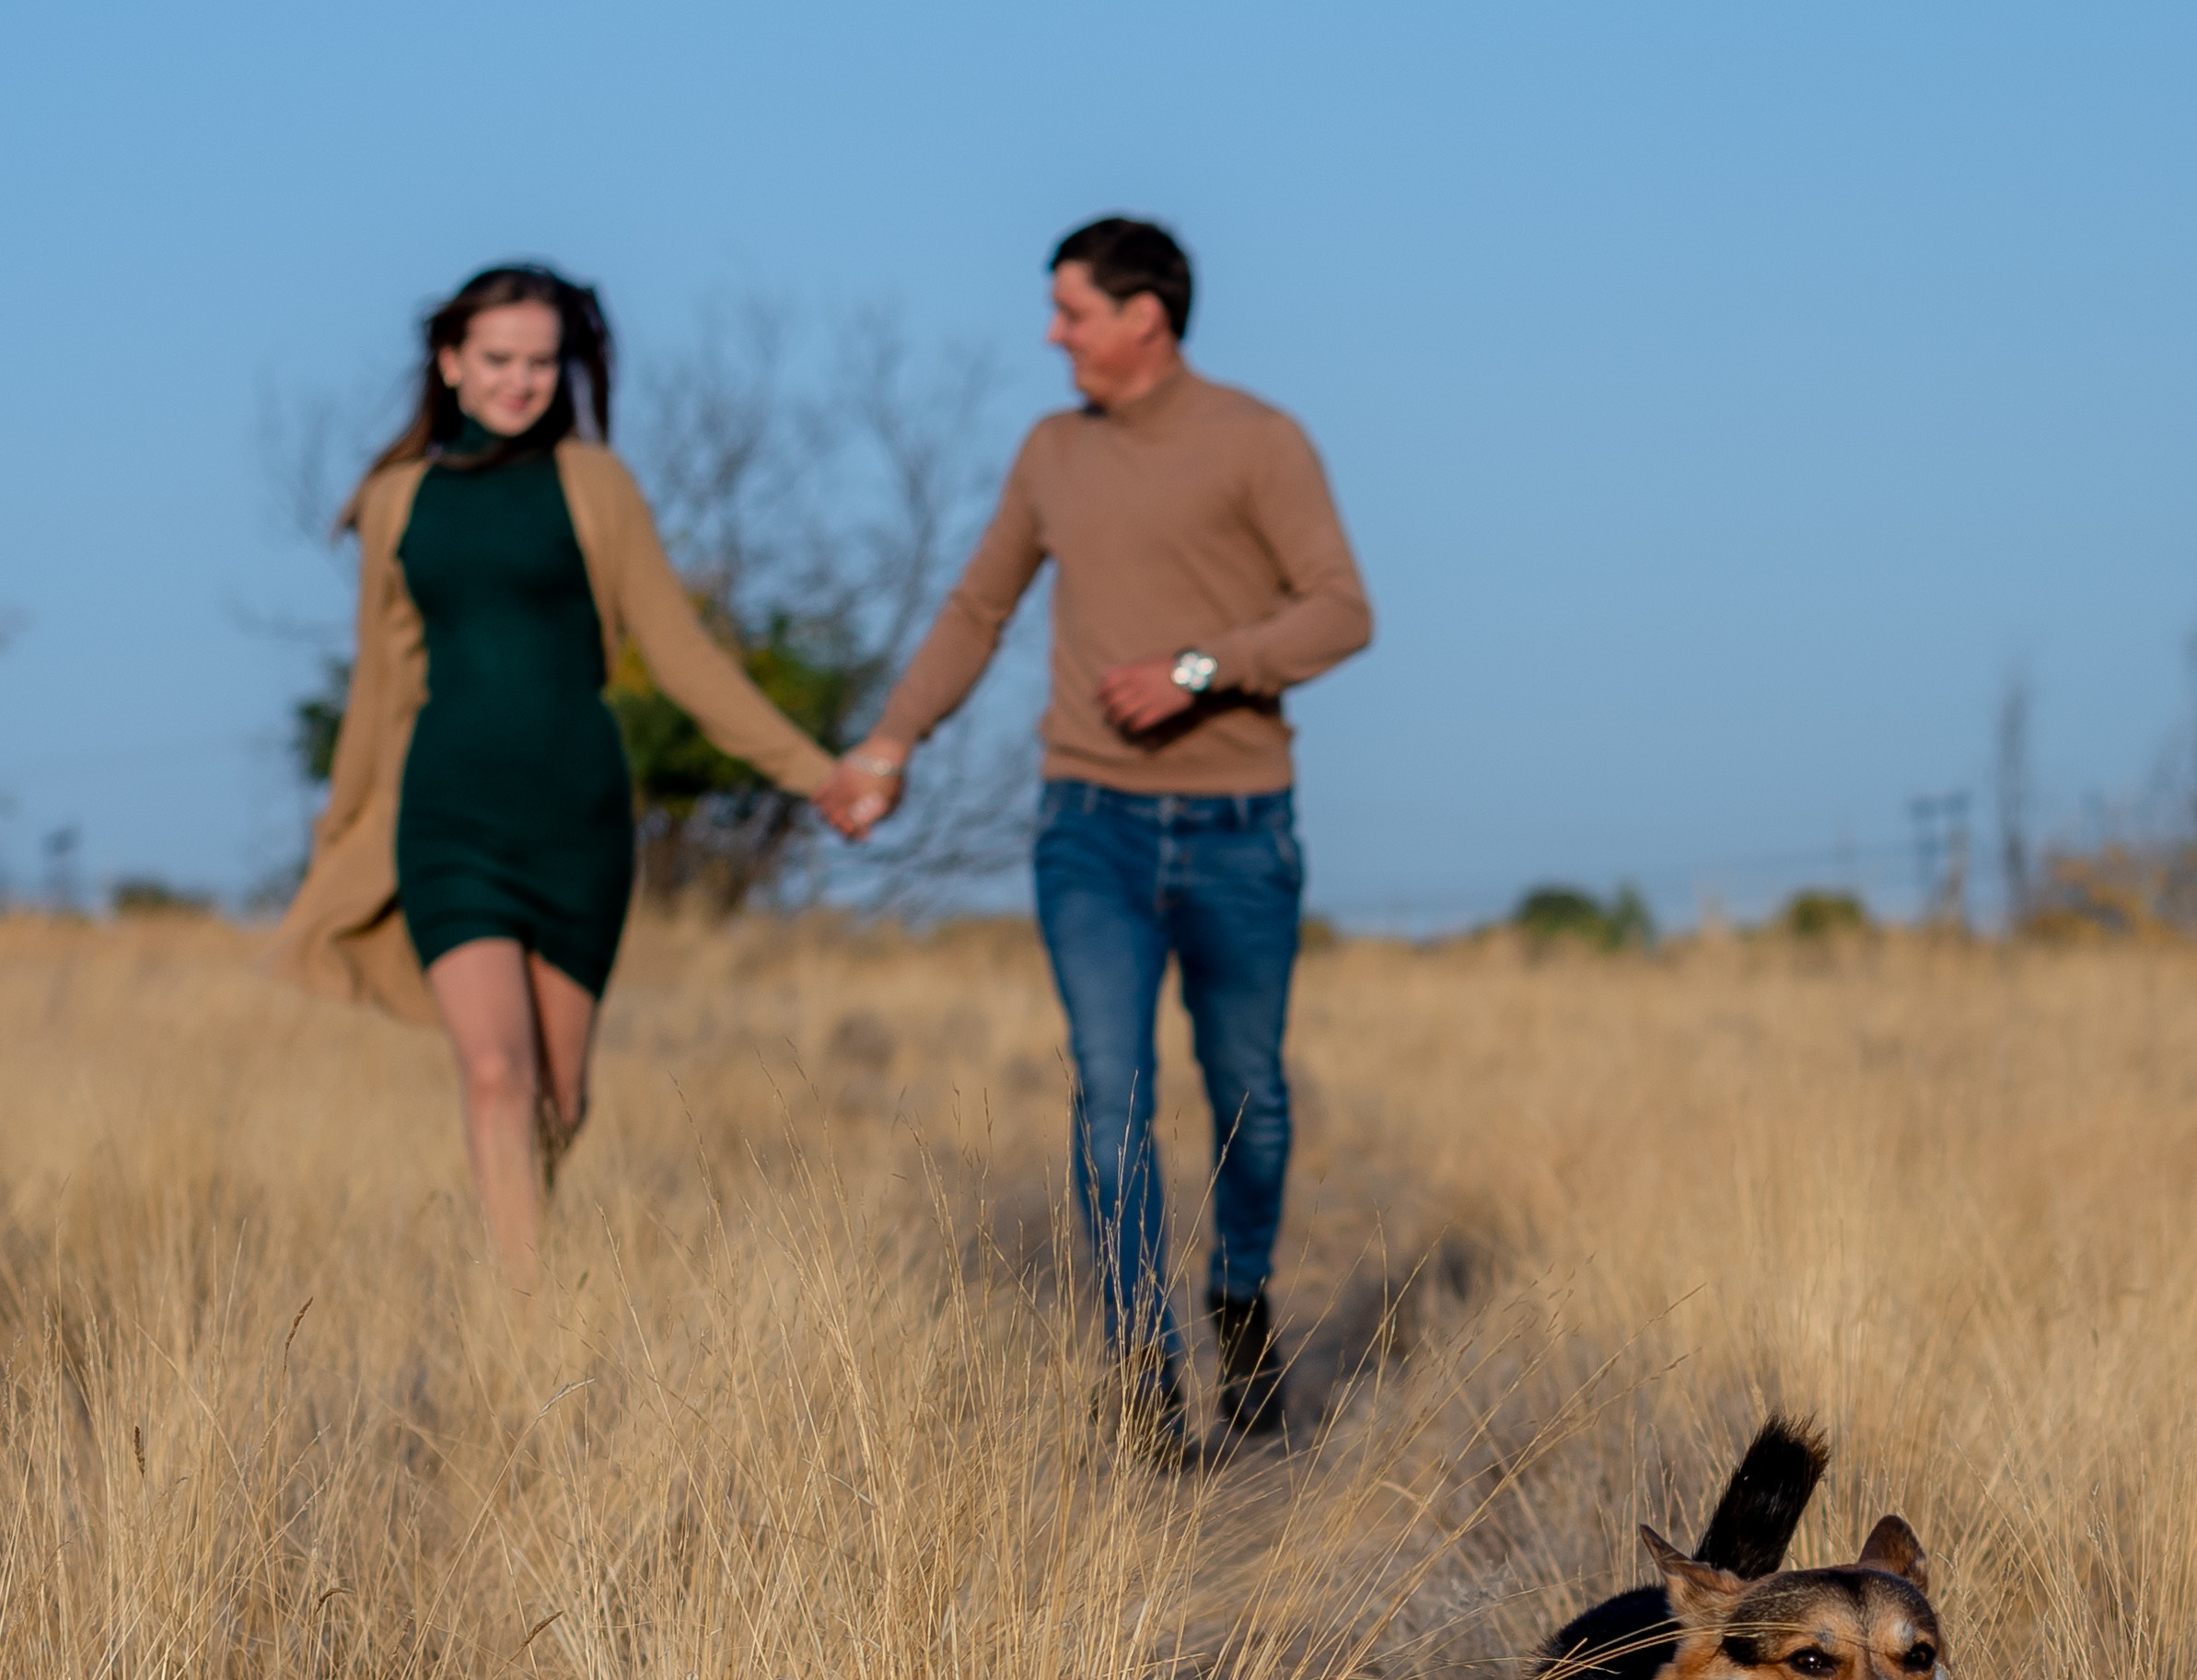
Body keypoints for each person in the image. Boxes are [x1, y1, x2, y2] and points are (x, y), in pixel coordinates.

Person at [816, 217, 1372, 1457]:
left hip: (1239, 829)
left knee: (1251, 1099)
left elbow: (1341, 609)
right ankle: (1144, 1366)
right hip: (1089, 827)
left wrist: (1197, 668)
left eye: (1070, 310)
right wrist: (888, 744)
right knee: (1109, 1097)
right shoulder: (1051, 451)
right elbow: (977, 608)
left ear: (1143, 317)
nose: (1051, 331)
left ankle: (1237, 1296)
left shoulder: (1258, 442)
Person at [263, 263, 836, 1295]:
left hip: (575, 818)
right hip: (446, 813)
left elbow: (680, 651)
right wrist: (342, 823)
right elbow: (381, 682)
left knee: (559, 1099)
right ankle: (521, 1324)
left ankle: (530, 1244)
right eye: (498, 359)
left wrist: (815, 772)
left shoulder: (596, 484)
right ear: (450, 362)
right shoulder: (396, 500)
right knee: (494, 1069)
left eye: (540, 361)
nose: (520, 381)